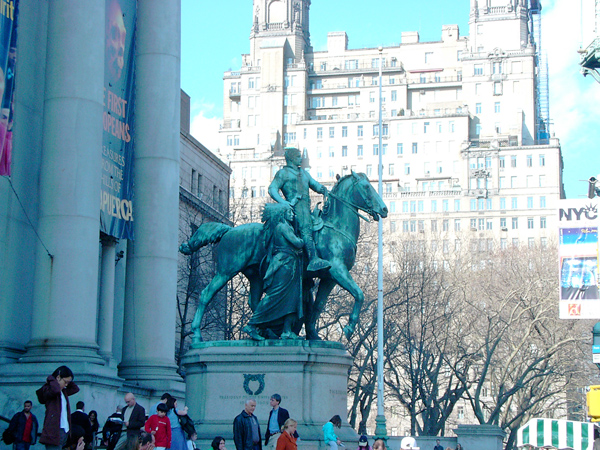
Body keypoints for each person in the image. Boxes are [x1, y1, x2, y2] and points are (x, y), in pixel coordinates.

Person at [243, 203, 304, 340]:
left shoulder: (287, 227)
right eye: (289, 212)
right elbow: (297, 243)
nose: (292, 215)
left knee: (292, 298)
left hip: (291, 265)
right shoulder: (282, 227)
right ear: (283, 213)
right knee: (274, 295)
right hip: (283, 264)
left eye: (292, 213)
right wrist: (304, 238)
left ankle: (287, 331)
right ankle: (252, 325)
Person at [268, 146, 331, 274]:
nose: (301, 159)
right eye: (298, 156)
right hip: (296, 208)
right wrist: (283, 203)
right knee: (305, 228)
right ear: (291, 158)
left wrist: (324, 189)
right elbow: (272, 189)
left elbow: (315, 185)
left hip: (306, 207)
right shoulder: (283, 173)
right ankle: (313, 259)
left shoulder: (303, 173)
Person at [36, 365, 80, 450]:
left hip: (64, 430)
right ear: (58, 377)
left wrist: (67, 380)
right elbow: (54, 390)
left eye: (68, 383)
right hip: (54, 431)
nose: (66, 385)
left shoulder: (63, 391)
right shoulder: (49, 389)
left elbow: (75, 389)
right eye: (65, 382)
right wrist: (52, 379)